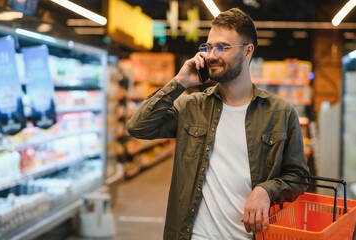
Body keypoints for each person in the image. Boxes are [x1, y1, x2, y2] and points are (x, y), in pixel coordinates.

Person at [126, 7, 309, 240]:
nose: (211, 55)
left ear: (247, 52)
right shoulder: (191, 107)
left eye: (222, 47)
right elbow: (138, 126)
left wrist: (266, 189)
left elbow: (299, 176)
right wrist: (180, 81)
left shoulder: (281, 112)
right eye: (208, 46)